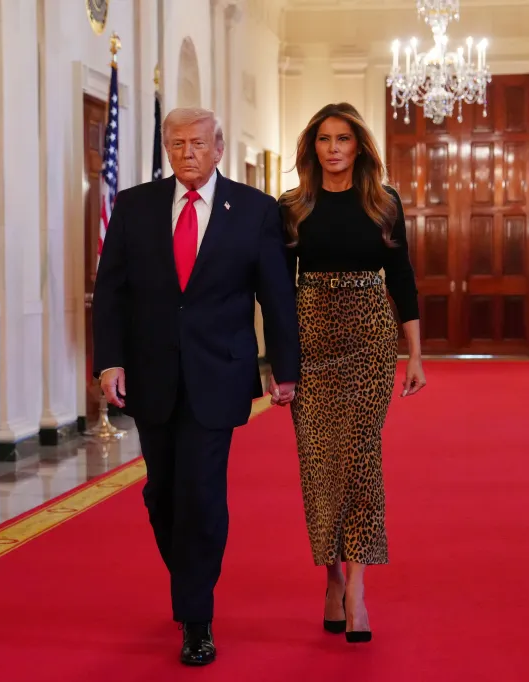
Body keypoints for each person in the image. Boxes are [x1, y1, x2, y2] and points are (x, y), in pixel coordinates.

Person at [92, 107, 300, 667]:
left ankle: (197, 617)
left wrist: (285, 370)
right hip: (151, 375)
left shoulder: (254, 211)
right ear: (167, 149)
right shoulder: (135, 206)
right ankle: (190, 580)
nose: (187, 153)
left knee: (202, 494)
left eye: (198, 144)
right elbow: (111, 291)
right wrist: (109, 363)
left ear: (219, 148)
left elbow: (275, 296)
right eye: (177, 144)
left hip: (219, 374)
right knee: (162, 494)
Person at [276, 102, 426, 643]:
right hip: (310, 337)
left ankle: (358, 589)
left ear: (358, 146)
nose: (333, 148)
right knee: (320, 467)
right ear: (312, 147)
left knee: (361, 460)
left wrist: (414, 354)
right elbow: (275, 289)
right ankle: (332, 577)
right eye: (324, 139)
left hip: (367, 337)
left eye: (342, 139)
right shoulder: (292, 207)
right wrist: (278, 361)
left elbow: (402, 277)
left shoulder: (383, 203)